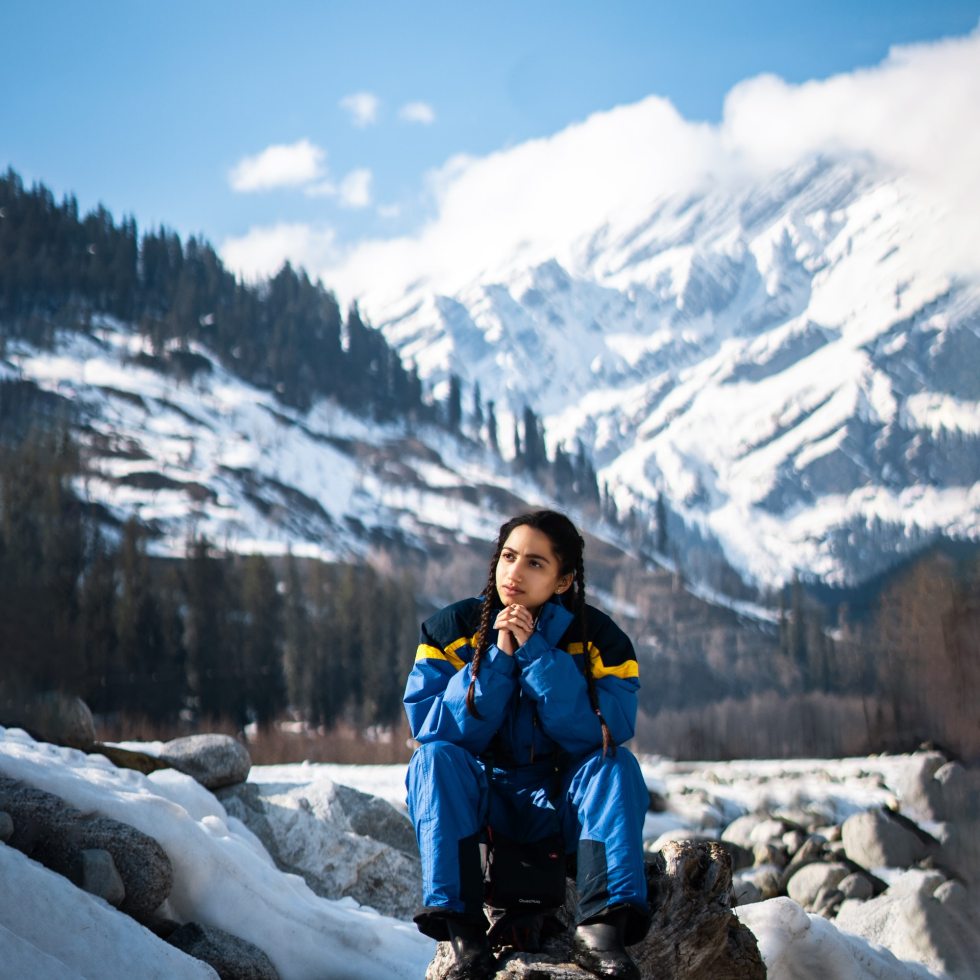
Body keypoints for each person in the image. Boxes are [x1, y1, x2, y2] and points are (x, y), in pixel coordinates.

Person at [404, 510, 651, 980]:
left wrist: (537, 655)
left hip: (561, 802)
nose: (514, 573)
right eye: (508, 557)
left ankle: (600, 932)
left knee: (615, 765)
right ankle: (465, 935)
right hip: (484, 804)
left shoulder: (600, 639)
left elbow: (604, 729)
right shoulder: (449, 630)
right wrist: (497, 658)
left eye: (535, 563)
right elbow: (436, 727)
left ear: (563, 581)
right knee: (432, 759)